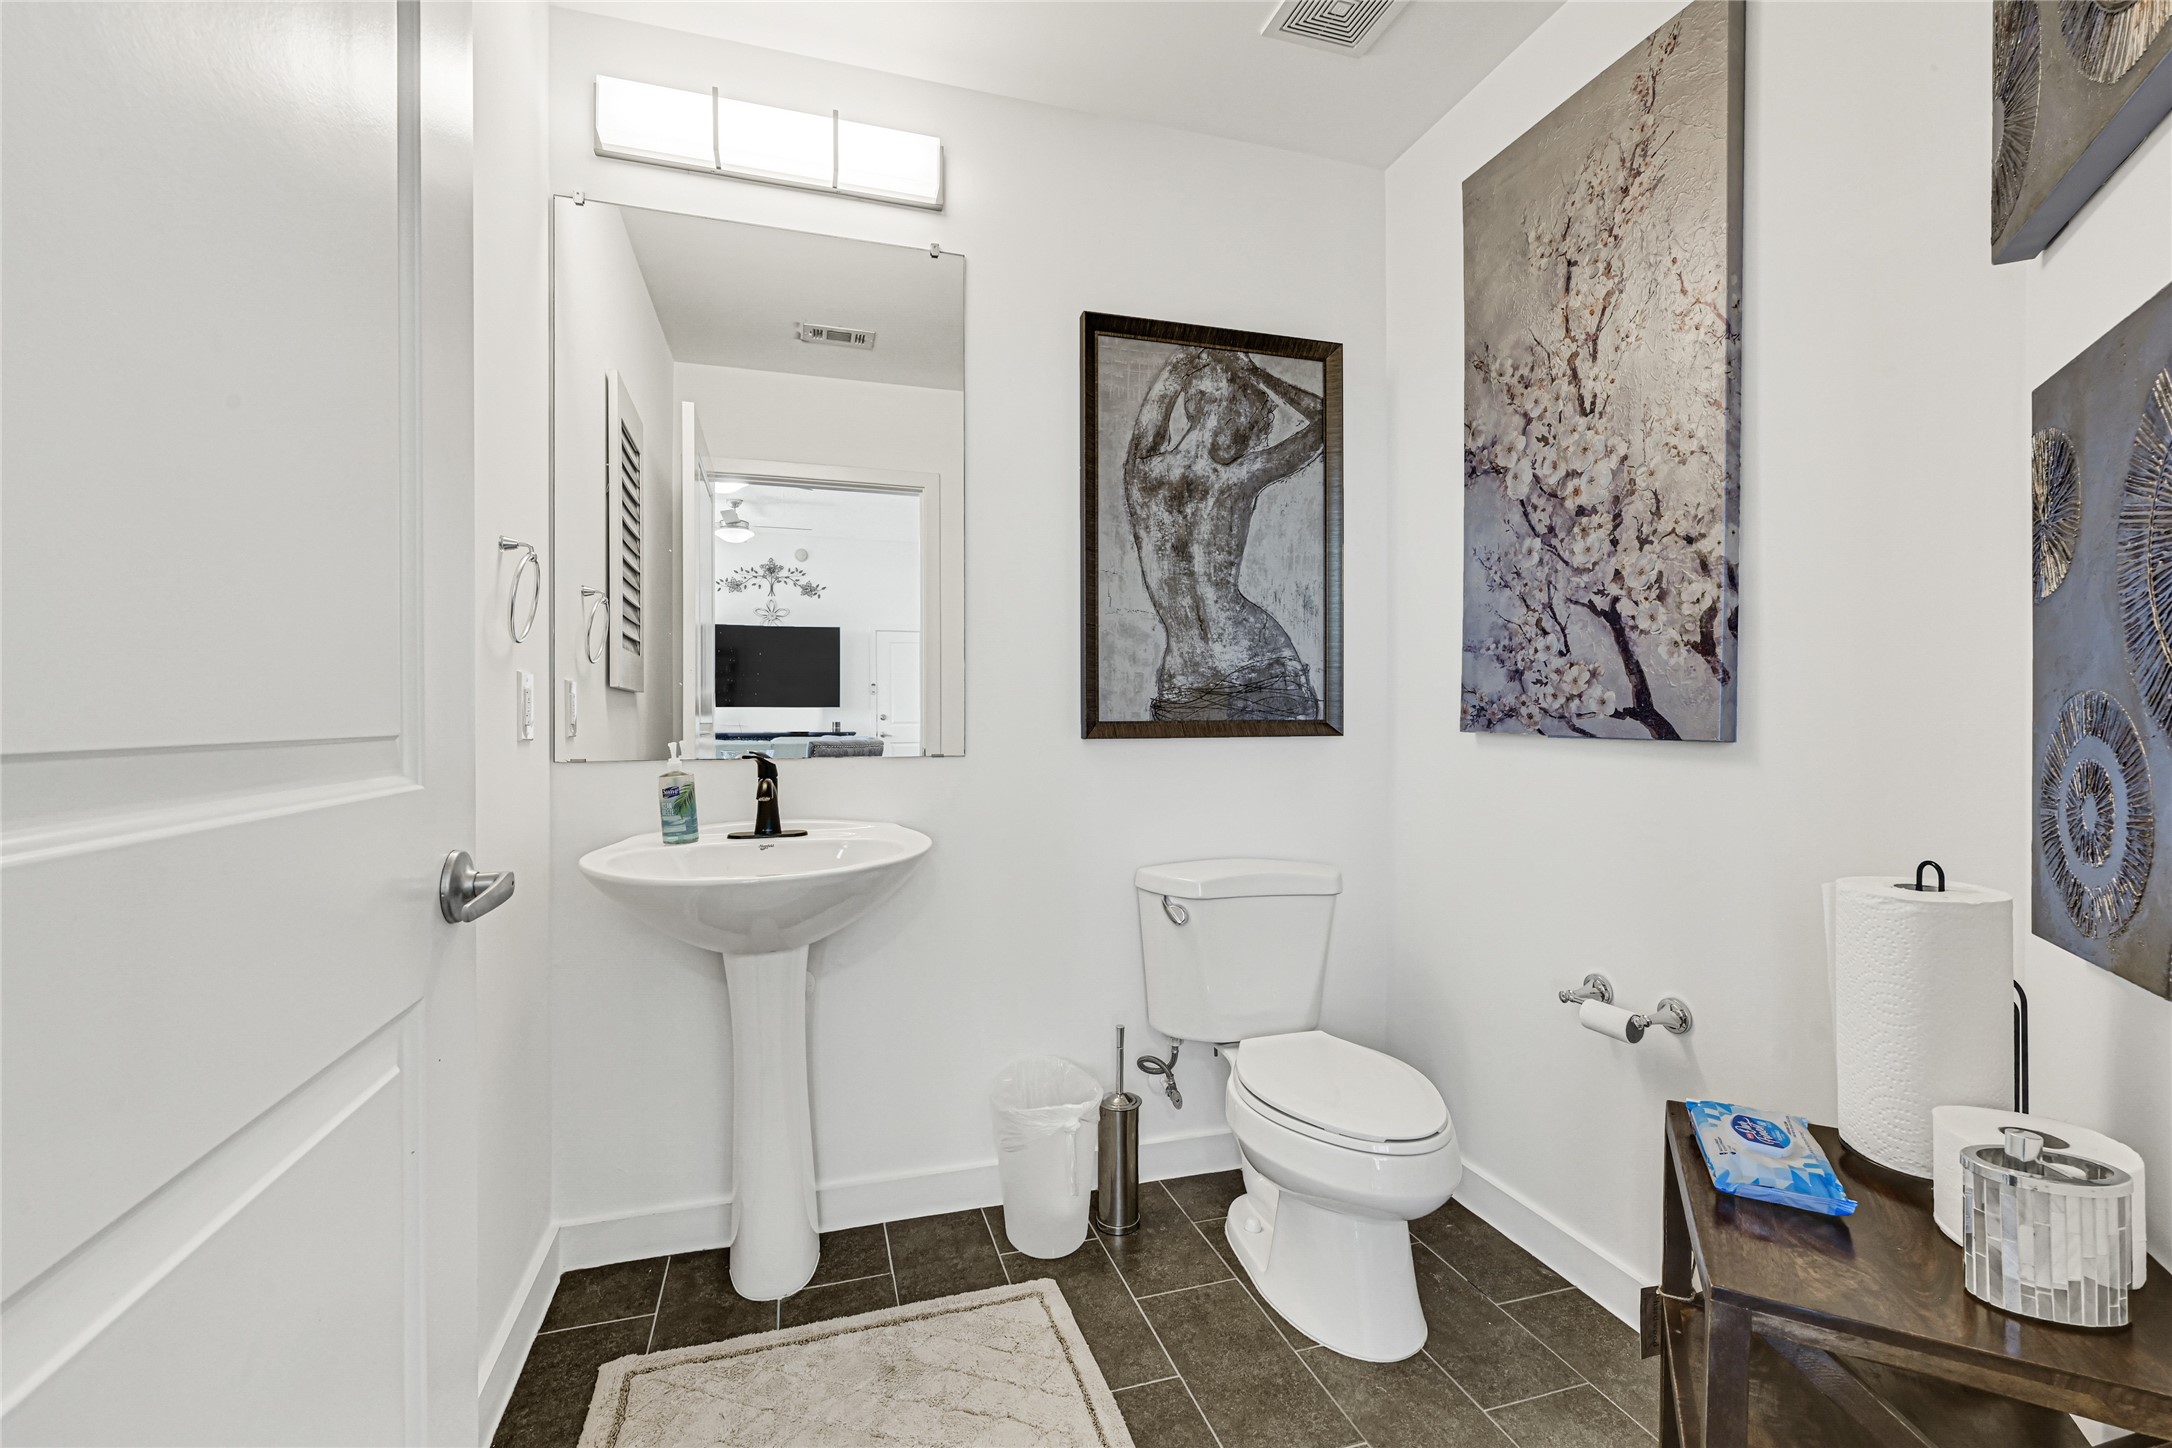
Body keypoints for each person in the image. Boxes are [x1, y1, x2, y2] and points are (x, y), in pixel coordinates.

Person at [1124, 347, 1324, 721]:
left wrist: (1190, 363)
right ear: (1236, 406)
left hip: (1185, 678)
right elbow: (1328, 420)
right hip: (1258, 663)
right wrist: (1258, 373)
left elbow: (1176, 365)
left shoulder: (1142, 474)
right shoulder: (1238, 477)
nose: (1254, 431)